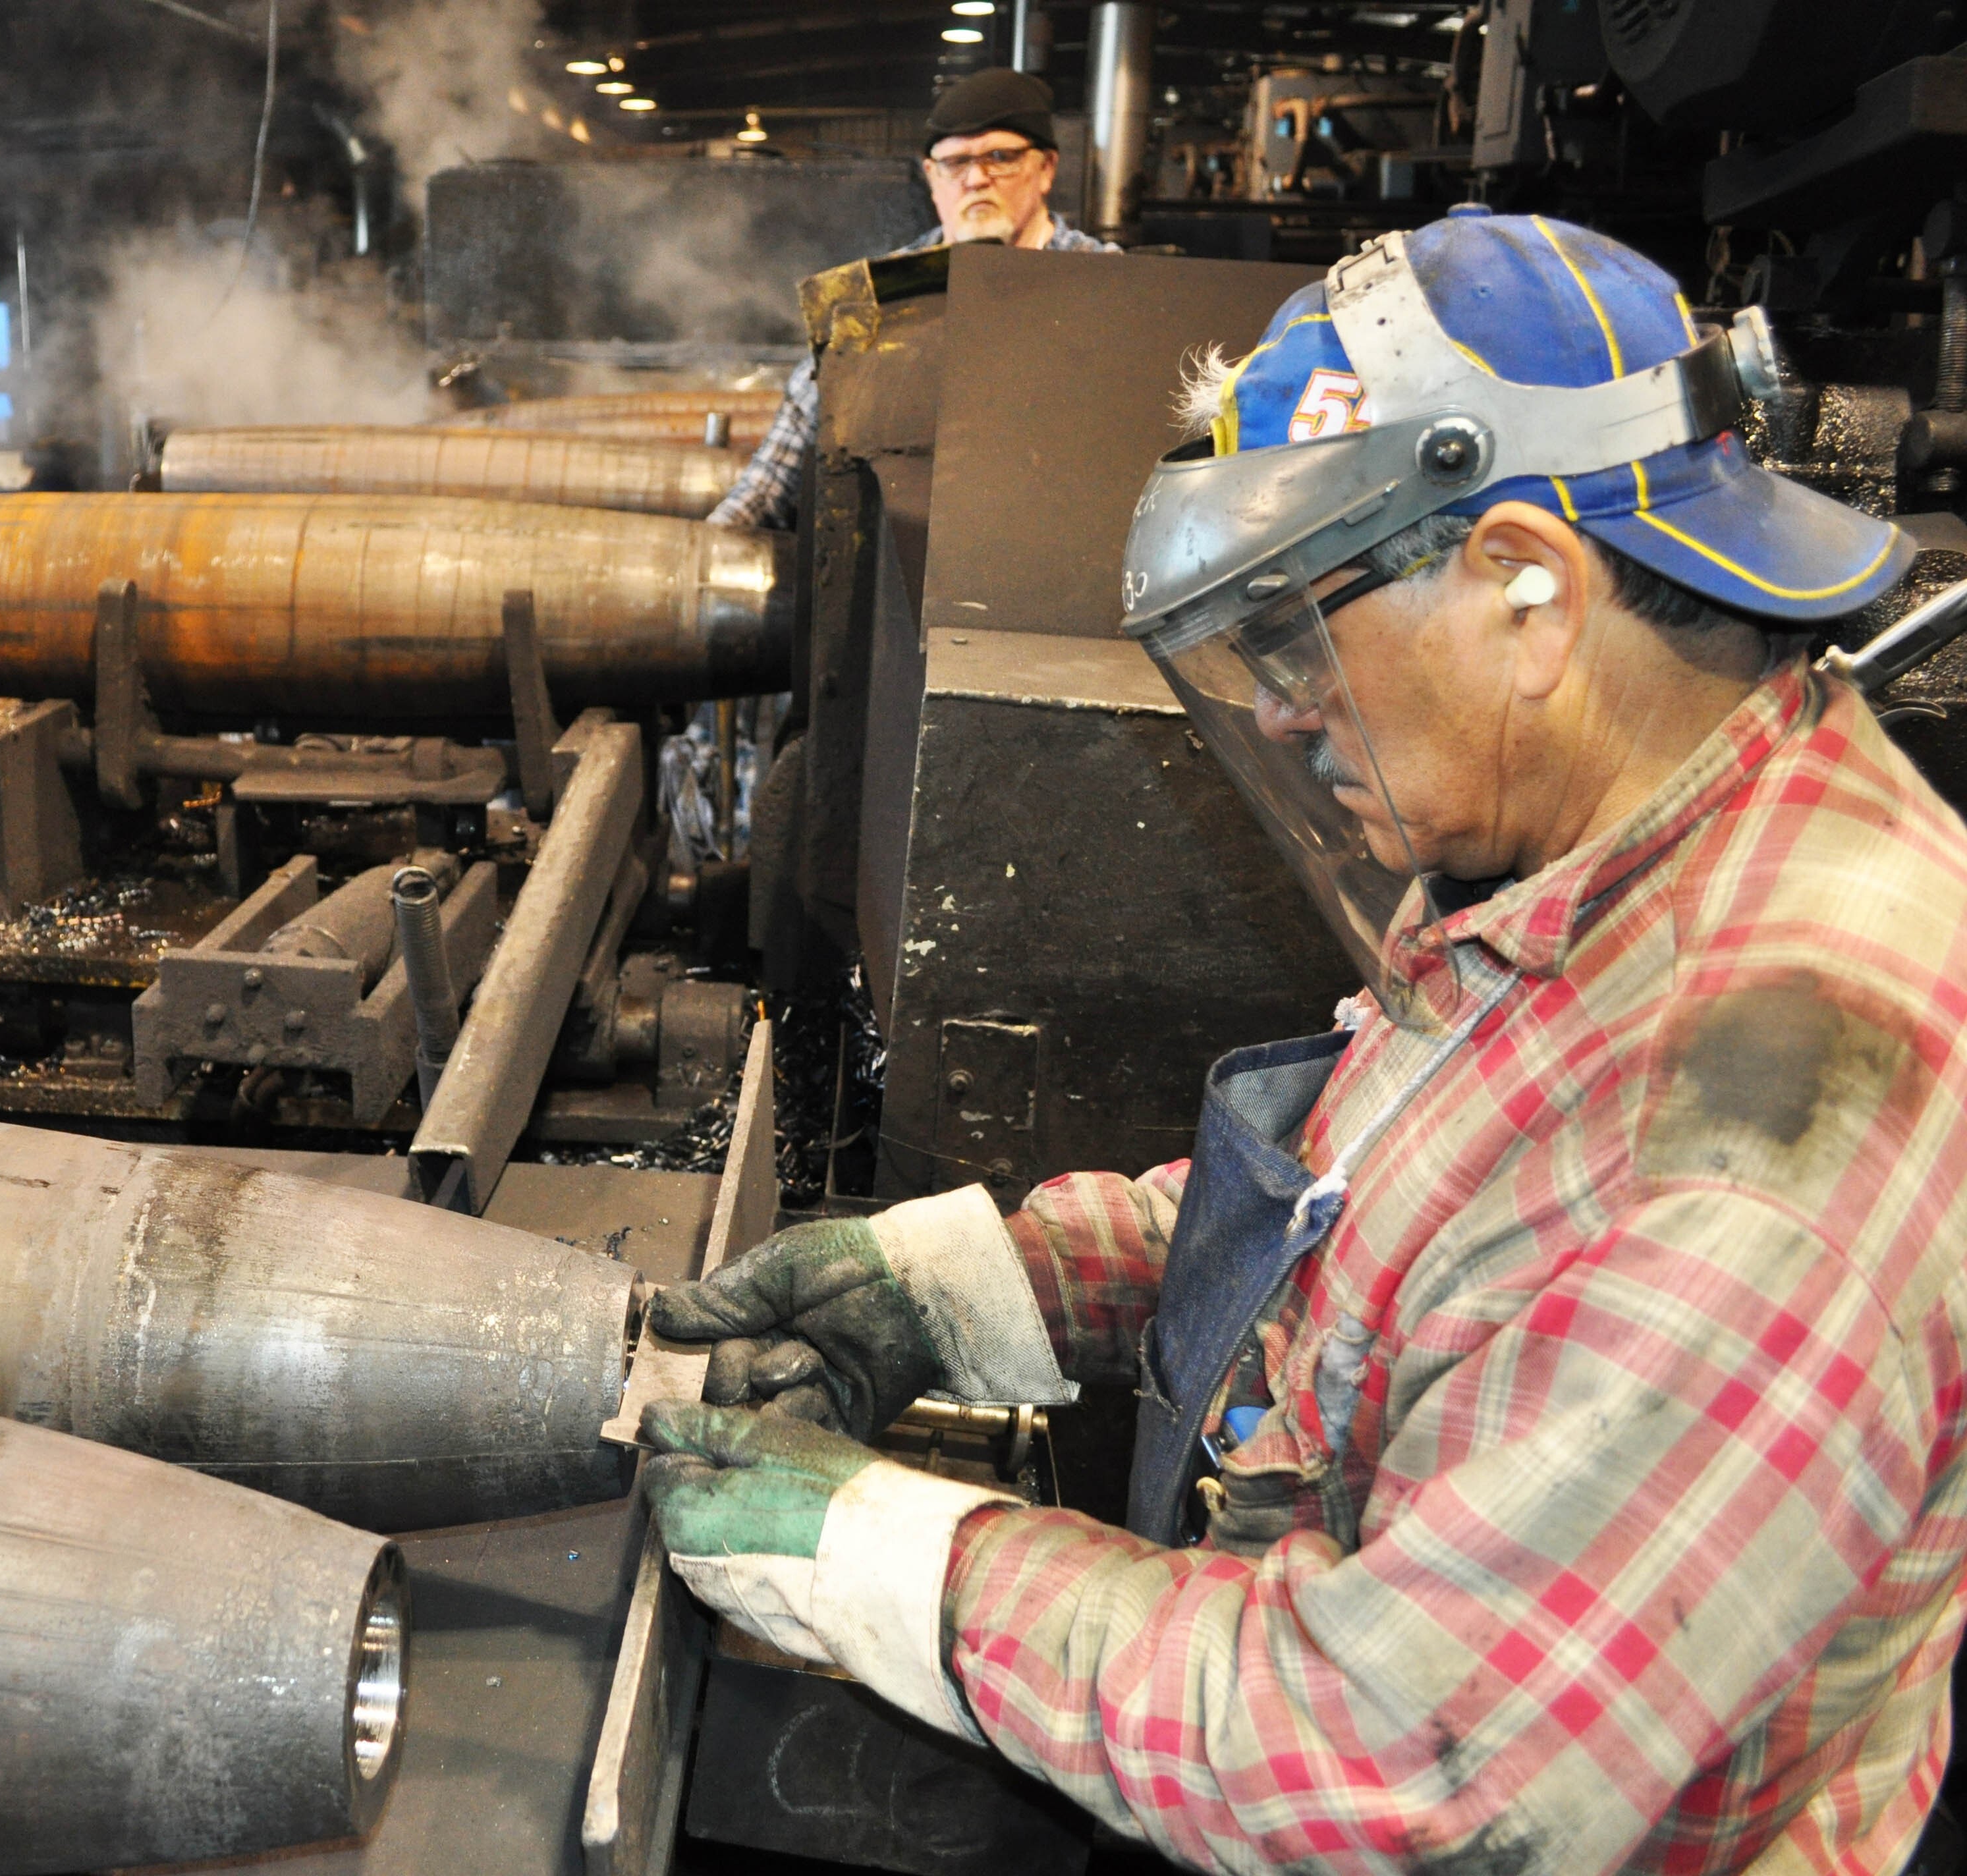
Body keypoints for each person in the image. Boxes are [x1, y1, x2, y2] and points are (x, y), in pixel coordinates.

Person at [643, 207, 1967, 1876]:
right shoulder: (1587, 852)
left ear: (1524, 592)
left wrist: (886, 1553)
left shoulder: (1774, 1128)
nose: (1275, 706)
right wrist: (971, 1285)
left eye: (1297, 633)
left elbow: (1397, 1767)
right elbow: (1366, 1205)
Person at [707, 67, 1115, 533]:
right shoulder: (880, 297)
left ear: (1045, 169)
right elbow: (781, 465)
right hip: (905, 570)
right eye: (956, 163)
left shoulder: (1110, 285)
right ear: (931, 177)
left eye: (1000, 157)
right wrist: (711, 547)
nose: (976, 178)